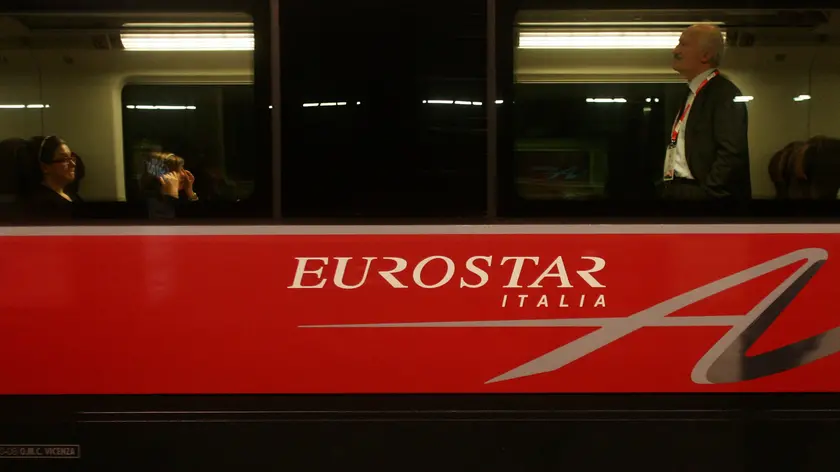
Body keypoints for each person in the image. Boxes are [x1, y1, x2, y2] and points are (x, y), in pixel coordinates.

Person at [661, 24, 751, 201]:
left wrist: (710, 193)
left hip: (701, 194)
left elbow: (731, 153)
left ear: (706, 55)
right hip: (677, 188)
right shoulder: (686, 95)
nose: (675, 50)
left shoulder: (724, 93)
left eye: (683, 44)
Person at [20, 135, 81, 219]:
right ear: (45, 167)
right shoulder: (42, 205)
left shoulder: (72, 195)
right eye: (64, 159)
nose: (73, 164)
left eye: (71, 158)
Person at [140, 151, 198, 218]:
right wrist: (172, 194)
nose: (183, 174)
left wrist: (190, 192)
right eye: (177, 170)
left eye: (183, 169)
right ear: (161, 175)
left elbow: (199, 219)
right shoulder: (151, 198)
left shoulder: (181, 195)